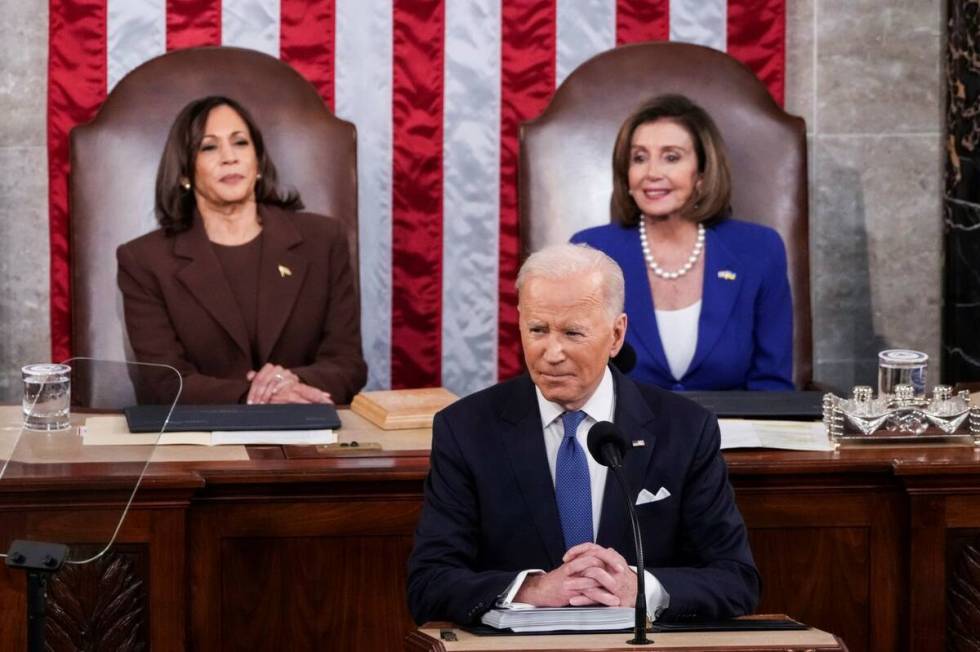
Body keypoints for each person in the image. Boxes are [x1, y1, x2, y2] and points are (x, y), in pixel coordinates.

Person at [407, 243, 759, 626]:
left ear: (616, 335)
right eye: (537, 330)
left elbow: (736, 579)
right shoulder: (466, 429)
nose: (551, 352)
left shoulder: (685, 429)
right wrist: (532, 590)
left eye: (573, 333)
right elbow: (429, 583)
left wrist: (641, 589)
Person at [117, 96, 367, 405]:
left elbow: (347, 363)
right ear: (184, 173)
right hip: (202, 442)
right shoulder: (144, 261)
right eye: (209, 147)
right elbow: (164, 383)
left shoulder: (323, 239)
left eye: (240, 143)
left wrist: (291, 385)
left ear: (259, 161)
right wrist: (252, 396)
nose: (229, 157)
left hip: (308, 429)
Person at [571, 94, 793, 391]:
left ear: (702, 173)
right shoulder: (591, 252)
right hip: (623, 432)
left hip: (733, 433)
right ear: (626, 175)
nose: (652, 173)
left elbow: (772, 386)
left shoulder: (760, 250)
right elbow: (574, 374)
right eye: (639, 158)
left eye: (671, 157)